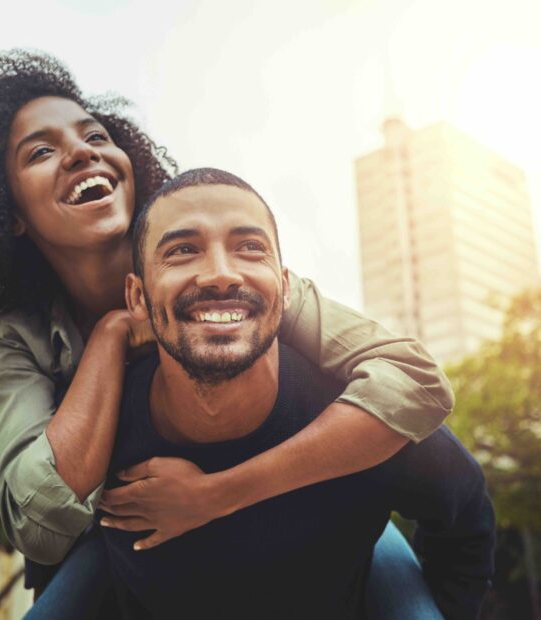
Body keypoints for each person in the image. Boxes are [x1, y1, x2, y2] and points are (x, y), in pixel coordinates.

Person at [0, 50, 452, 604]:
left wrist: (218, 494)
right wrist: (111, 336)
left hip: (304, 503)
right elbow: (38, 523)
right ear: (7, 214)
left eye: (96, 136)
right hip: (120, 539)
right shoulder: (17, 336)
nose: (81, 152)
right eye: (41, 152)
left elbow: (415, 382)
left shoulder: (221, 277)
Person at [98, 168, 495, 619]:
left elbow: (466, 518)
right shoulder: (104, 424)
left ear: (286, 287)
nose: (220, 275)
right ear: (137, 296)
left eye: (249, 248)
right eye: (183, 250)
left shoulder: (368, 418)